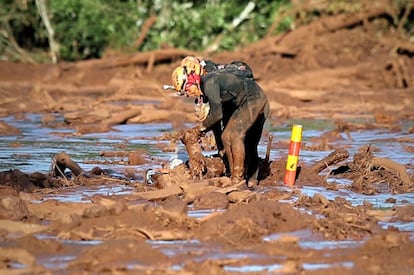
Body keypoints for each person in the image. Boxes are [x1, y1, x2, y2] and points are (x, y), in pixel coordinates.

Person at [170, 57, 269, 187]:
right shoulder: (205, 86)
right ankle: (234, 175)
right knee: (225, 136)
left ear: (192, 81)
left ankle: (238, 179)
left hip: (254, 98)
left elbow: (217, 114)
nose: (188, 94)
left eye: (187, 90)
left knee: (236, 135)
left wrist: (199, 130)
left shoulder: (209, 83)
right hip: (243, 102)